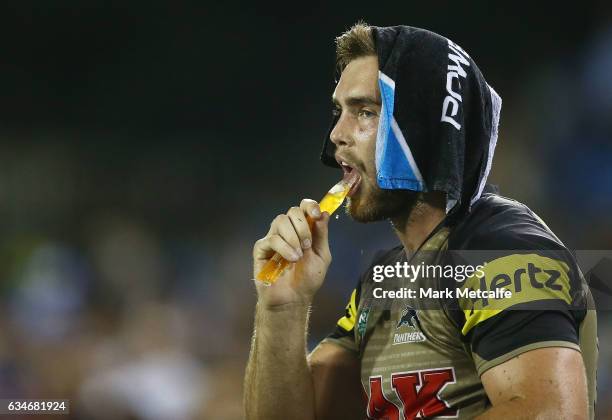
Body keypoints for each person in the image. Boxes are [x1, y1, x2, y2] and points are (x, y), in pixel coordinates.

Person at [244, 23, 597, 419]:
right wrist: (282, 309)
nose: (337, 134)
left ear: (424, 128)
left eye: (365, 112)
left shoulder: (501, 249)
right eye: (338, 112)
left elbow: (551, 413)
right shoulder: (384, 280)